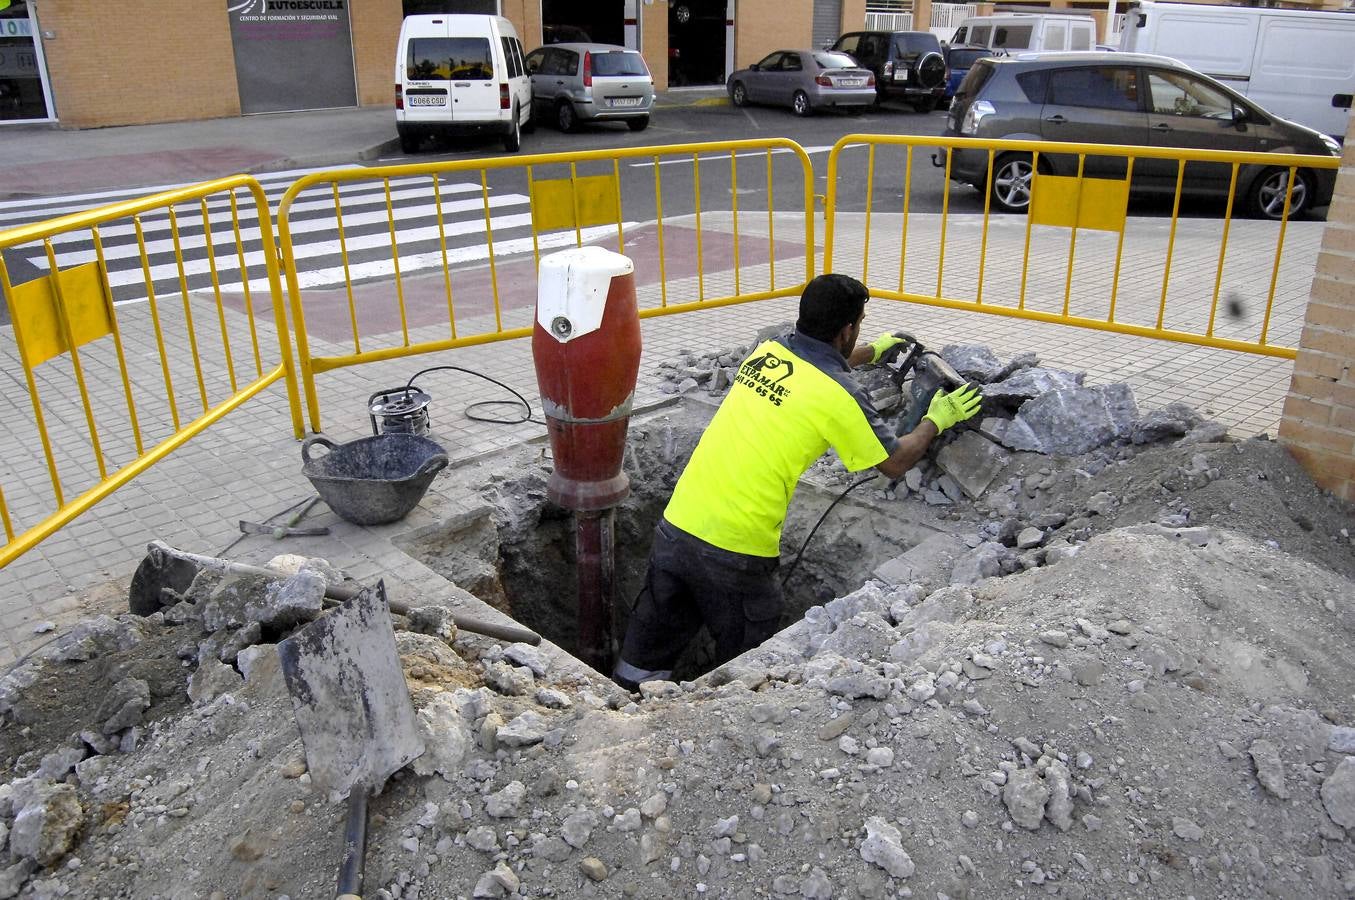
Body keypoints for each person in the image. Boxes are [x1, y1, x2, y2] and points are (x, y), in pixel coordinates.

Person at [613, 273, 981, 690]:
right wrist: (938, 418)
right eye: (858, 325)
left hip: (676, 529)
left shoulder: (766, 354)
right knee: (751, 656)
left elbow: (808, 368)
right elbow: (894, 462)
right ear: (847, 329)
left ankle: (625, 703)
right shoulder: (839, 395)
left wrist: (871, 352)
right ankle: (727, 719)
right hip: (736, 552)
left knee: (652, 638)